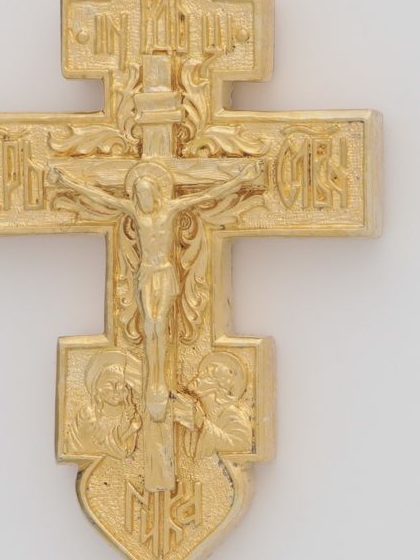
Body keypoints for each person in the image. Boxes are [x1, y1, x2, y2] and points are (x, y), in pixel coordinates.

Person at [50, 158, 263, 422]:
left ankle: (159, 379)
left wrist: (241, 180)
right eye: (139, 195)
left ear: (155, 193)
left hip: (164, 273)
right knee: (149, 326)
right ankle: (154, 376)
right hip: (145, 274)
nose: (143, 199)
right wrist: (67, 182)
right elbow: (102, 197)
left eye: (146, 194)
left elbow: (206, 195)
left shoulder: (170, 210)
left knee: (158, 323)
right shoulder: (135, 212)